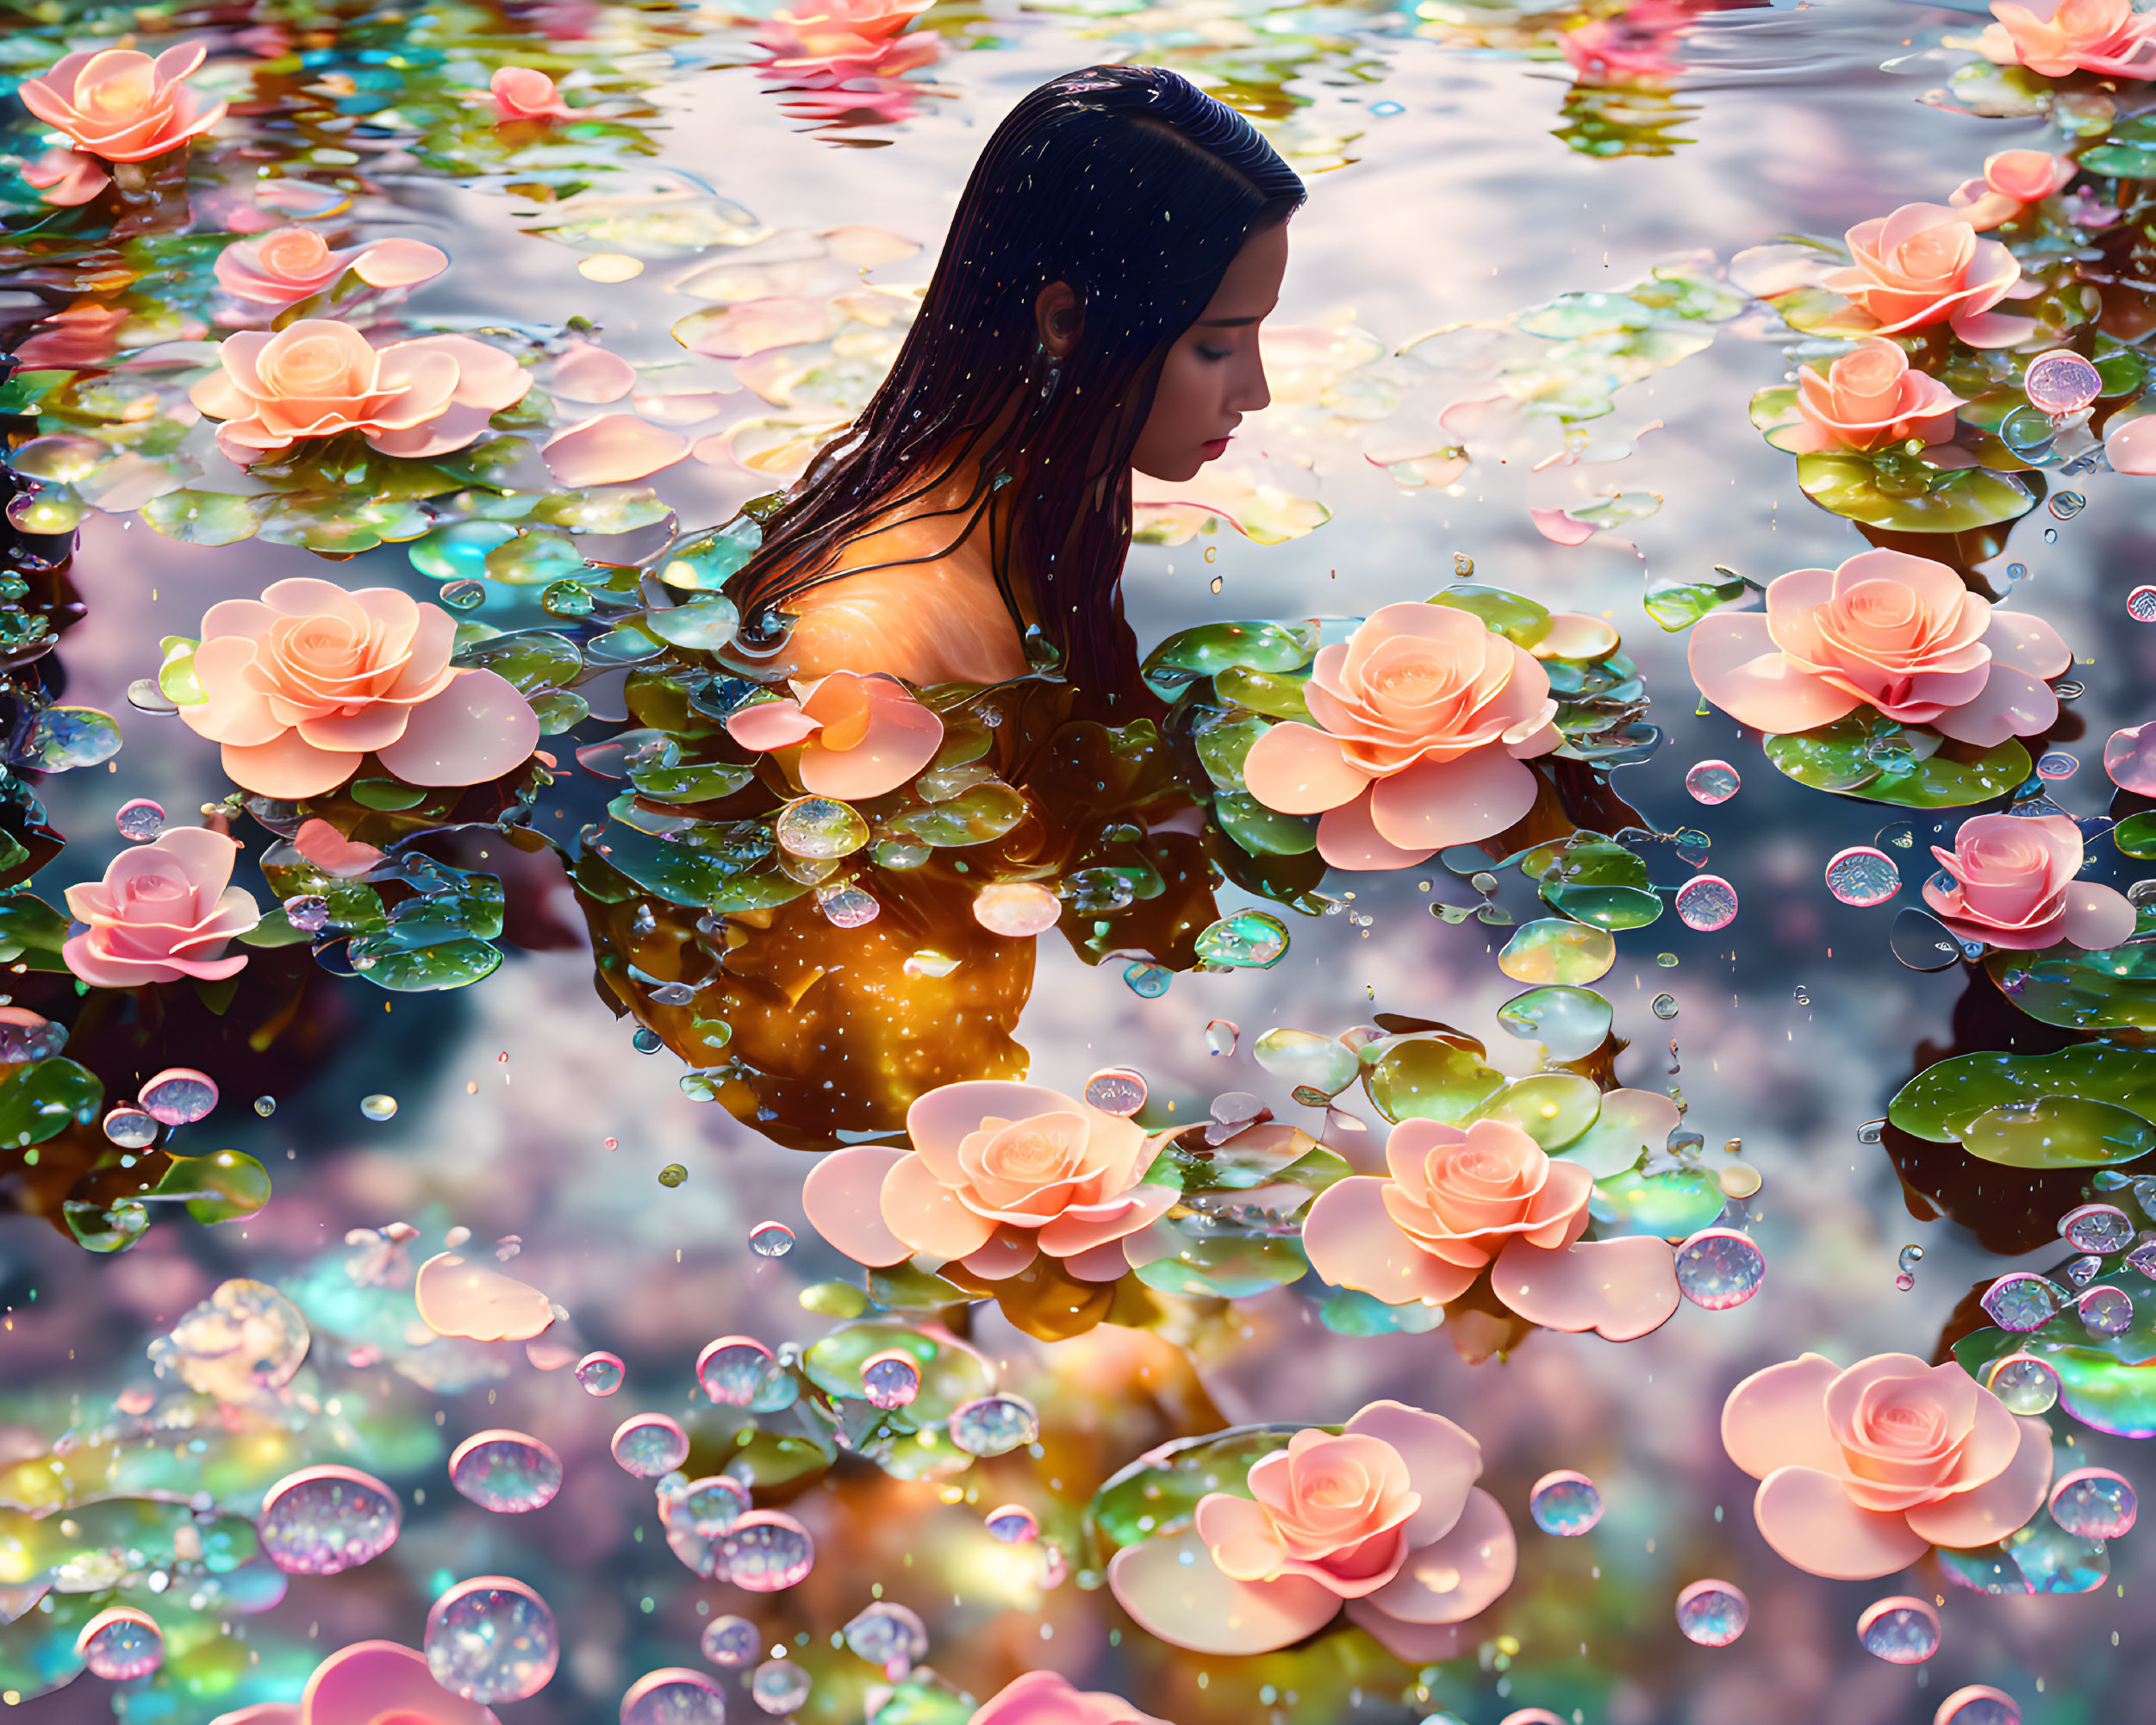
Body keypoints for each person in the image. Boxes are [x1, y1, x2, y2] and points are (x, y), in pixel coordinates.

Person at [725, 65, 1304, 713]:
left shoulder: (1069, 490)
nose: (1256, 394)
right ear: (1066, 323)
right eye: (1216, 346)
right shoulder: (872, 648)